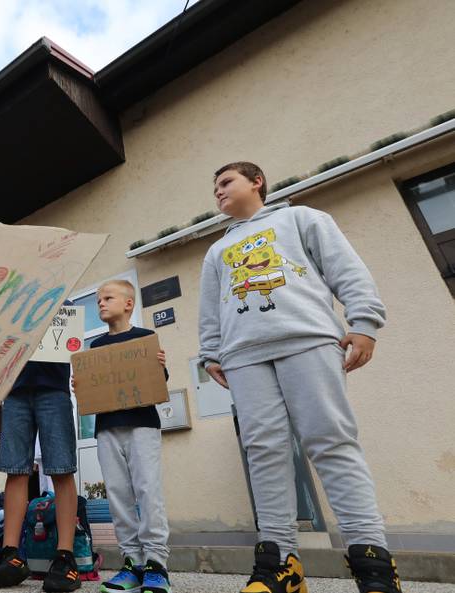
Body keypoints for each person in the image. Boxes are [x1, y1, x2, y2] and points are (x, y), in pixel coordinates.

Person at [198, 162, 400, 593]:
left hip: (308, 339)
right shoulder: (217, 251)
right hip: (243, 357)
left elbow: (346, 268)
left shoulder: (301, 218)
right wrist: (211, 352)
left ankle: (374, 565)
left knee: (331, 441)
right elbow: (210, 307)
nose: (218, 192)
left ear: (257, 182)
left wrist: (364, 321)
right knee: (263, 452)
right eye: (214, 187)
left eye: (226, 182)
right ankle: (279, 563)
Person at [74, 280, 171, 593]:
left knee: (148, 490)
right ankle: (133, 563)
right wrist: (83, 385)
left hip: (142, 425)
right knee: (117, 495)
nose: (100, 304)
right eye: (98, 299)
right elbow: (94, 388)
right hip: (107, 428)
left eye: (107, 298)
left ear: (128, 304)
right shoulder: (95, 347)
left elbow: (156, 382)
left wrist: (160, 367)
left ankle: (157, 564)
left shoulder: (145, 339)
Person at [0, 358, 80, 593]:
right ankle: (9, 553)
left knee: (62, 469)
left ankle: (65, 555)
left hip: (54, 384)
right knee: (16, 471)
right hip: (14, 385)